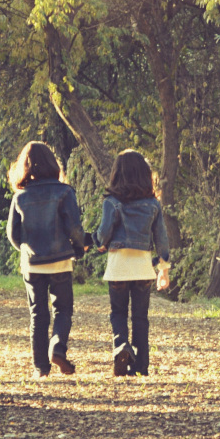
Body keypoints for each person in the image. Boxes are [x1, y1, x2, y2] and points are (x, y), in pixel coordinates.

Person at [6, 141, 88, 378]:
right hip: (60, 260)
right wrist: (78, 247)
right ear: (53, 163)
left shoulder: (19, 196)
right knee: (63, 309)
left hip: (32, 264)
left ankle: (41, 368)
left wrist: (27, 250)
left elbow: (13, 235)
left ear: (24, 167)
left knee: (38, 314)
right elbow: (74, 228)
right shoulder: (65, 192)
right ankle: (57, 347)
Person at [94, 149, 171, 377]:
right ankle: (141, 366)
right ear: (145, 175)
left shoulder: (112, 202)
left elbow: (104, 233)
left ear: (117, 175)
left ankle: (121, 346)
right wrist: (163, 270)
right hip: (142, 268)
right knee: (140, 317)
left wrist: (98, 243)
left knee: (118, 313)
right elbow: (162, 240)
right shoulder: (152, 205)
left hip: (118, 266)